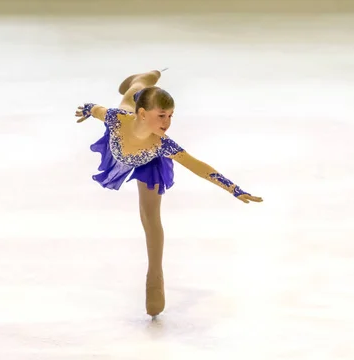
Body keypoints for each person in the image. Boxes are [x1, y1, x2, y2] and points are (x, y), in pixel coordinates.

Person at [74, 69, 263, 317]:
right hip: (122, 141)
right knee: (134, 91)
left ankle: (155, 275)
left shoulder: (161, 143)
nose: (167, 122)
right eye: (162, 115)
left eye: (171, 115)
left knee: (151, 217)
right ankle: (143, 77)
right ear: (142, 114)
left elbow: (197, 166)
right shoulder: (116, 118)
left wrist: (233, 189)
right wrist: (86, 110)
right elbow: (95, 108)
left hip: (149, 160)